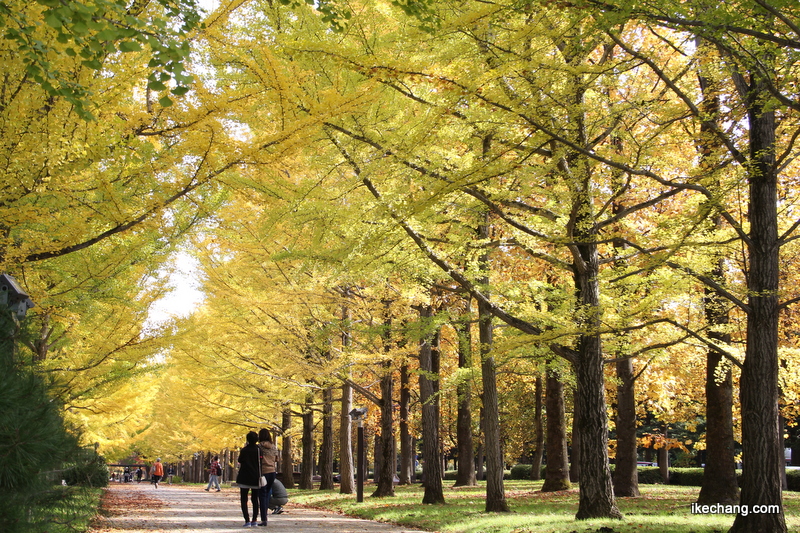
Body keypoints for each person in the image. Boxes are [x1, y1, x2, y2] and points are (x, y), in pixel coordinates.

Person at [236, 431, 261, 527]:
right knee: (255, 499)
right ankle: (254, 519)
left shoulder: (244, 450)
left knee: (244, 499)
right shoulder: (259, 450)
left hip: (244, 476)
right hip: (255, 476)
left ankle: (247, 520)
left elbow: (240, 460)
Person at [257, 428, 280, 526]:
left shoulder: (259, 447)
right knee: (267, 495)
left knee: (262, 495)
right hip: (272, 472)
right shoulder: (274, 447)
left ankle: (264, 518)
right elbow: (277, 459)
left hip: (263, 473)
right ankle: (265, 516)